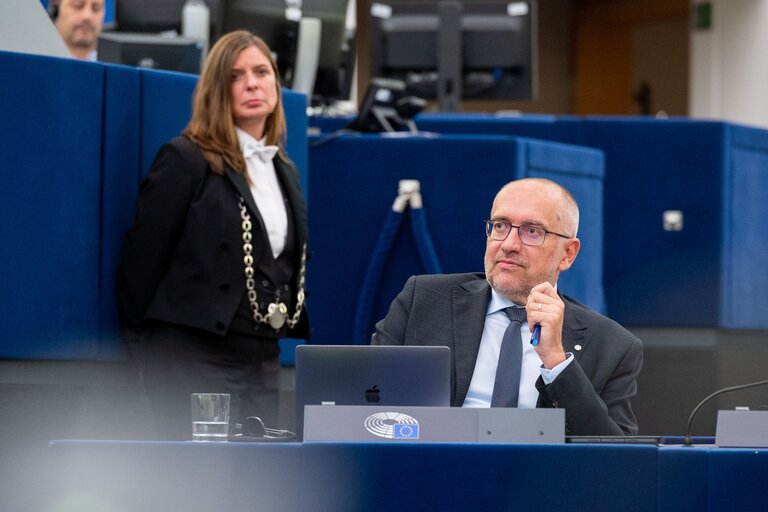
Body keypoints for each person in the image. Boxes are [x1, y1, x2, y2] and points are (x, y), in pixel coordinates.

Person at [117, 30, 309, 440]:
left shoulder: (285, 170)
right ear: (216, 91)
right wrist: (140, 353)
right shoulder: (184, 158)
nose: (252, 83)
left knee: (257, 488)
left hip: (262, 356)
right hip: (192, 354)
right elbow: (141, 263)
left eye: (261, 71)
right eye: (236, 76)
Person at [372, 178, 642, 436]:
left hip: (536, 479)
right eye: (500, 226)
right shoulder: (424, 299)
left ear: (567, 253)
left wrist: (557, 363)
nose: (509, 244)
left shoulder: (612, 345)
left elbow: (615, 455)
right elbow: (366, 399)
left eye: (532, 231)